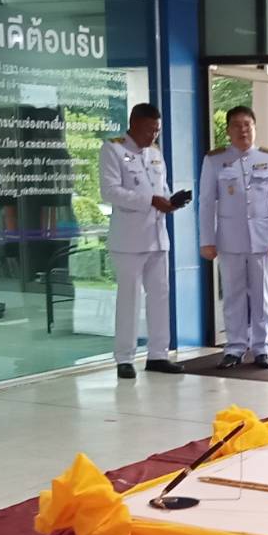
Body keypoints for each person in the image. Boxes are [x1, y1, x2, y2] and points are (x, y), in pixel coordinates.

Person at [101, 103, 188, 380]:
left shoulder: (155, 154)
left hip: (157, 236)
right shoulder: (113, 149)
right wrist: (149, 201)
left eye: (157, 130)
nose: (154, 135)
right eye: (150, 129)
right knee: (129, 299)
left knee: (160, 297)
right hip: (129, 239)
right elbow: (110, 191)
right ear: (134, 123)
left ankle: (158, 354)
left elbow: (161, 189)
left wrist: (171, 201)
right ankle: (124, 358)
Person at [198, 106, 268, 369]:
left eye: (247, 124)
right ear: (227, 130)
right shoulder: (215, 160)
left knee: (261, 294)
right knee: (233, 294)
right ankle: (234, 347)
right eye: (236, 125)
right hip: (229, 239)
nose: (242, 130)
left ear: (254, 128)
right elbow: (206, 203)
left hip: (262, 240)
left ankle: (262, 348)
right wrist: (207, 240)